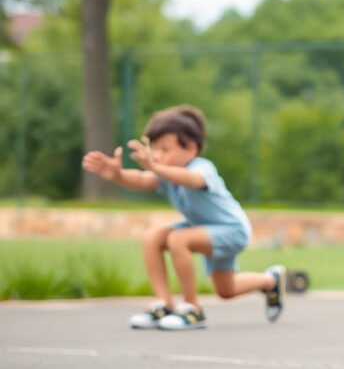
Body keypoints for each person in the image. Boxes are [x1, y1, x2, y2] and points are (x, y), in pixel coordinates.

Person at [81, 105, 284, 330]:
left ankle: (192, 308)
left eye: (165, 149)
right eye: (155, 149)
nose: (157, 156)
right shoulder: (164, 173)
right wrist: (117, 175)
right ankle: (269, 281)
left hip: (232, 229)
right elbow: (141, 179)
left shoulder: (202, 168)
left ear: (191, 149)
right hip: (203, 229)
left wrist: (156, 167)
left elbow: (192, 180)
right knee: (221, 287)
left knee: (178, 239)